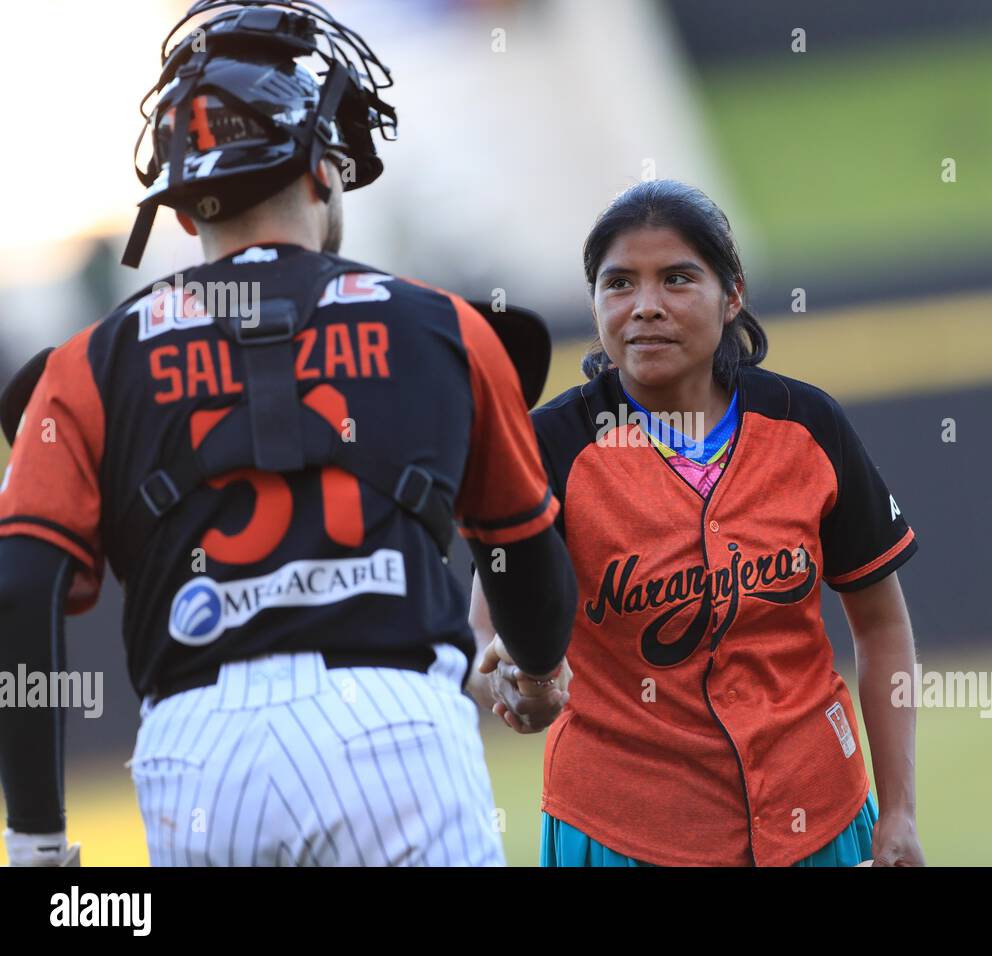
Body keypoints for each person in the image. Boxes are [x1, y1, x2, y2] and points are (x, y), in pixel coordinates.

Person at [0, 0, 575, 867]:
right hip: (392, 730)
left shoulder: (86, 364)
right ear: (323, 172)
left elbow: (18, 589)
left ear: (185, 210)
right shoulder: (446, 328)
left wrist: (36, 837)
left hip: (198, 753)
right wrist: (535, 672)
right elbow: (523, 553)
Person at [469, 179, 925, 867]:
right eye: (618, 283)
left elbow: (882, 627)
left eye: (678, 279)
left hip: (820, 818)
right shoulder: (548, 446)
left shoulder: (807, 425)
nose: (645, 306)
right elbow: (486, 636)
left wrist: (899, 813)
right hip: (625, 832)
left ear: (731, 293)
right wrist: (511, 683)